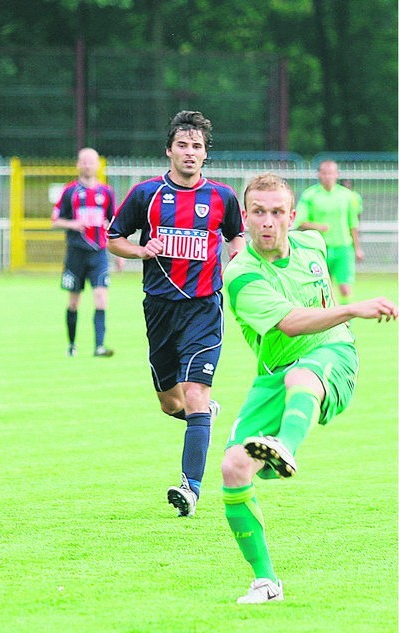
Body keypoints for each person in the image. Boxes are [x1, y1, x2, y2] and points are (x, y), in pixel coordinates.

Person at [221, 173, 397, 604]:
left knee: (303, 375)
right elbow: (289, 323)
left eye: (277, 212)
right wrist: (351, 307)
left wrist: (343, 315)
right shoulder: (241, 274)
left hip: (333, 355)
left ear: (292, 216)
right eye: (258, 212)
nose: (268, 222)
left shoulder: (313, 246)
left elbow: (316, 319)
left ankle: (285, 447)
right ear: (245, 217)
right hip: (274, 372)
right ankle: (266, 582)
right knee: (233, 468)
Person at [107, 110, 245, 517]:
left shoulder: (222, 197)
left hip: (204, 308)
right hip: (160, 310)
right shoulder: (146, 194)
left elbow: (236, 233)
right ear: (169, 150)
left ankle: (191, 489)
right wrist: (140, 250)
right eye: (182, 145)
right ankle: (202, 419)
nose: (189, 152)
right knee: (171, 404)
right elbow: (114, 238)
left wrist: (236, 254)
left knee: (197, 395)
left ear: (205, 155)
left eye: (197, 147)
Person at [51, 147, 116, 357]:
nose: (88, 165)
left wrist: (118, 255)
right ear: (78, 164)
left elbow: (113, 224)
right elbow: (55, 220)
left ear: (98, 164)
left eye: (91, 161)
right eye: (84, 162)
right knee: (74, 301)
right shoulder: (70, 192)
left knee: (101, 298)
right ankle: (72, 344)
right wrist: (72, 224)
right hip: (76, 253)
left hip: (99, 253)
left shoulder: (106, 192)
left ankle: (99, 346)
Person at [294, 160, 364, 303]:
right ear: (319, 174)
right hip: (319, 249)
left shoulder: (347, 196)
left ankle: (346, 323)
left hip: (343, 248)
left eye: (331, 173)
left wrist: (357, 248)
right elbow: (300, 222)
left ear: (337, 174)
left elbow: (353, 224)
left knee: (345, 288)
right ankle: (328, 321)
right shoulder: (310, 195)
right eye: (324, 173)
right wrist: (317, 226)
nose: (328, 176)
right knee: (323, 289)